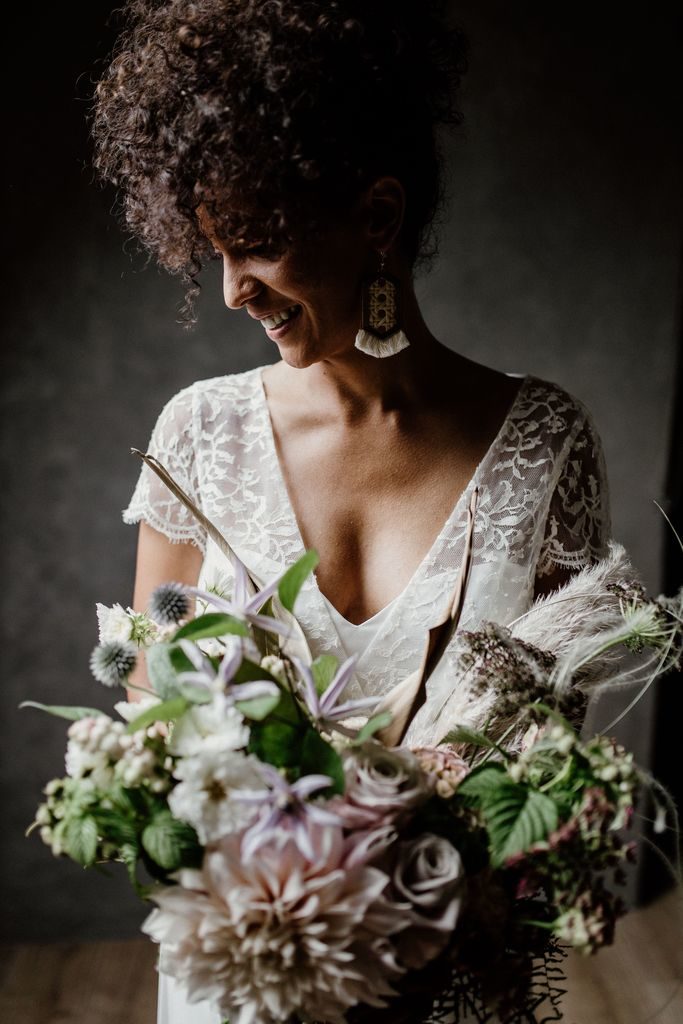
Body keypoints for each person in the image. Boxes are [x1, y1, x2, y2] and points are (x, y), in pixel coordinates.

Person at [90, 2, 611, 1021]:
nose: (234, 289)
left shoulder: (543, 440)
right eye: (214, 255)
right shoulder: (199, 433)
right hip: (248, 968)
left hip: (450, 980)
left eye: (258, 245)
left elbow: (550, 767)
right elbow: (149, 710)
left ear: (376, 216)